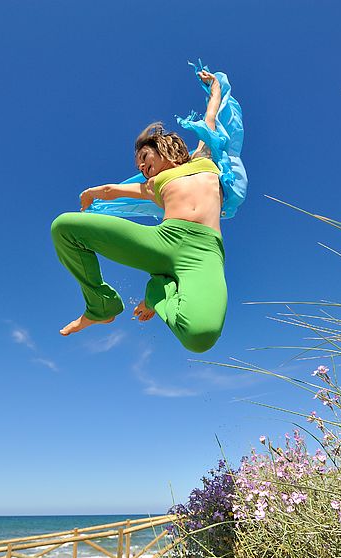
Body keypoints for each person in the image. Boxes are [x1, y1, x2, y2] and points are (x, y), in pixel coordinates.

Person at [50, 69, 227, 353]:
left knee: (201, 337)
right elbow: (113, 190)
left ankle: (157, 291)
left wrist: (215, 87)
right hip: (163, 240)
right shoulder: (154, 184)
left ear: (163, 147)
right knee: (64, 227)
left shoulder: (204, 157)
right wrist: (92, 193)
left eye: (145, 159)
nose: (143, 169)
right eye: (140, 168)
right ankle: (101, 305)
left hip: (204, 252)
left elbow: (211, 116)